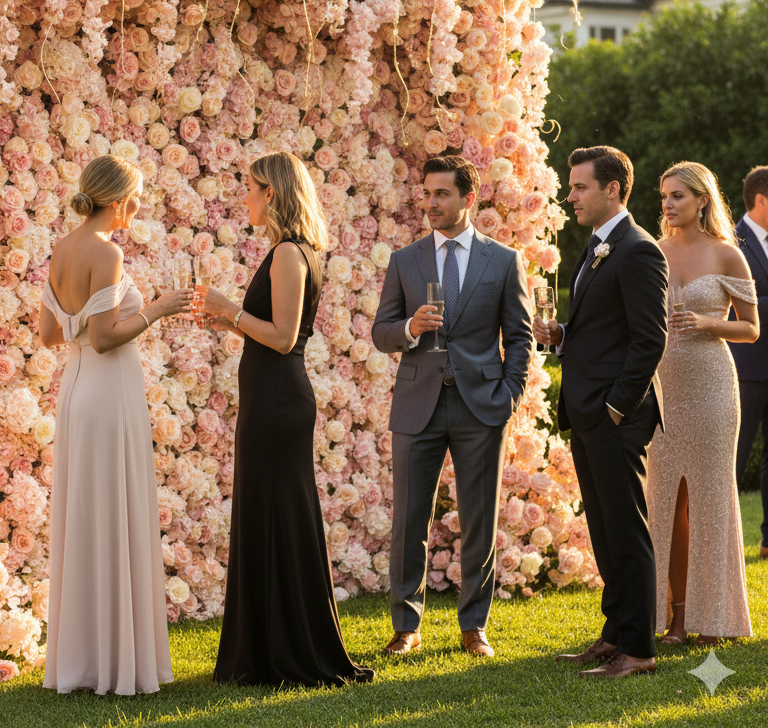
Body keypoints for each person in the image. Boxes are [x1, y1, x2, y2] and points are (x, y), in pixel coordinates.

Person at [200, 152, 374, 687]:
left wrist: (229, 308)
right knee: (266, 516)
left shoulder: (288, 254)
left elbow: (281, 337)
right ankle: (268, 648)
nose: (244, 198)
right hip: (269, 396)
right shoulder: (286, 251)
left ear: (271, 193)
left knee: (277, 517)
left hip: (277, 402)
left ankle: (285, 651)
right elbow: (272, 333)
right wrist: (226, 321)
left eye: (250, 188)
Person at [39, 155, 192, 695]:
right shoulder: (107, 252)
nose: (140, 207)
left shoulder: (61, 248)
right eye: (138, 197)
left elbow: (50, 337)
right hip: (107, 394)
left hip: (75, 392)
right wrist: (159, 309)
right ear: (119, 200)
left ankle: (84, 659)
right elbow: (105, 338)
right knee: (110, 515)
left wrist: (79, 318)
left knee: (86, 517)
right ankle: (112, 664)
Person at [371, 156, 532, 658]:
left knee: (479, 518)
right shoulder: (405, 260)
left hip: (482, 406)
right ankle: (406, 626)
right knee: (409, 521)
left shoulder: (503, 261)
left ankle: (473, 627)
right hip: (417, 404)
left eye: (442, 194)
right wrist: (409, 329)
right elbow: (381, 332)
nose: (432, 204)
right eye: (427, 194)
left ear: (469, 198)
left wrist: (509, 394)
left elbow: (521, 337)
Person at [534, 146, 668, 679]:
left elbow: (649, 339)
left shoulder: (638, 250)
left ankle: (639, 651)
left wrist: (615, 408)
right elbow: (604, 328)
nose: (570, 196)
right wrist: (564, 333)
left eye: (580, 187)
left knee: (627, 531)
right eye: (571, 187)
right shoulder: (597, 247)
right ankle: (615, 634)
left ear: (613, 188)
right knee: (606, 531)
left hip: (614, 413)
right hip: (587, 410)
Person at [649, 162, 759, 646]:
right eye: (664, 197)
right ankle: (674, 618)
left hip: (712, 386)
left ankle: (714, 618)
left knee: (711, 502)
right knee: (665, 504)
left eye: (677, 196)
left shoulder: (727, 255)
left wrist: (710, 323)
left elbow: (751, 328)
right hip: (660, 388)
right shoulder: (652, 252)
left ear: (701, 200)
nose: (669, 204)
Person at [730, 165, 768, 561]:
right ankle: (727, 546)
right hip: (744, 368)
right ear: (760, 199)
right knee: (734, 459)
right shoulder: (731, 240)